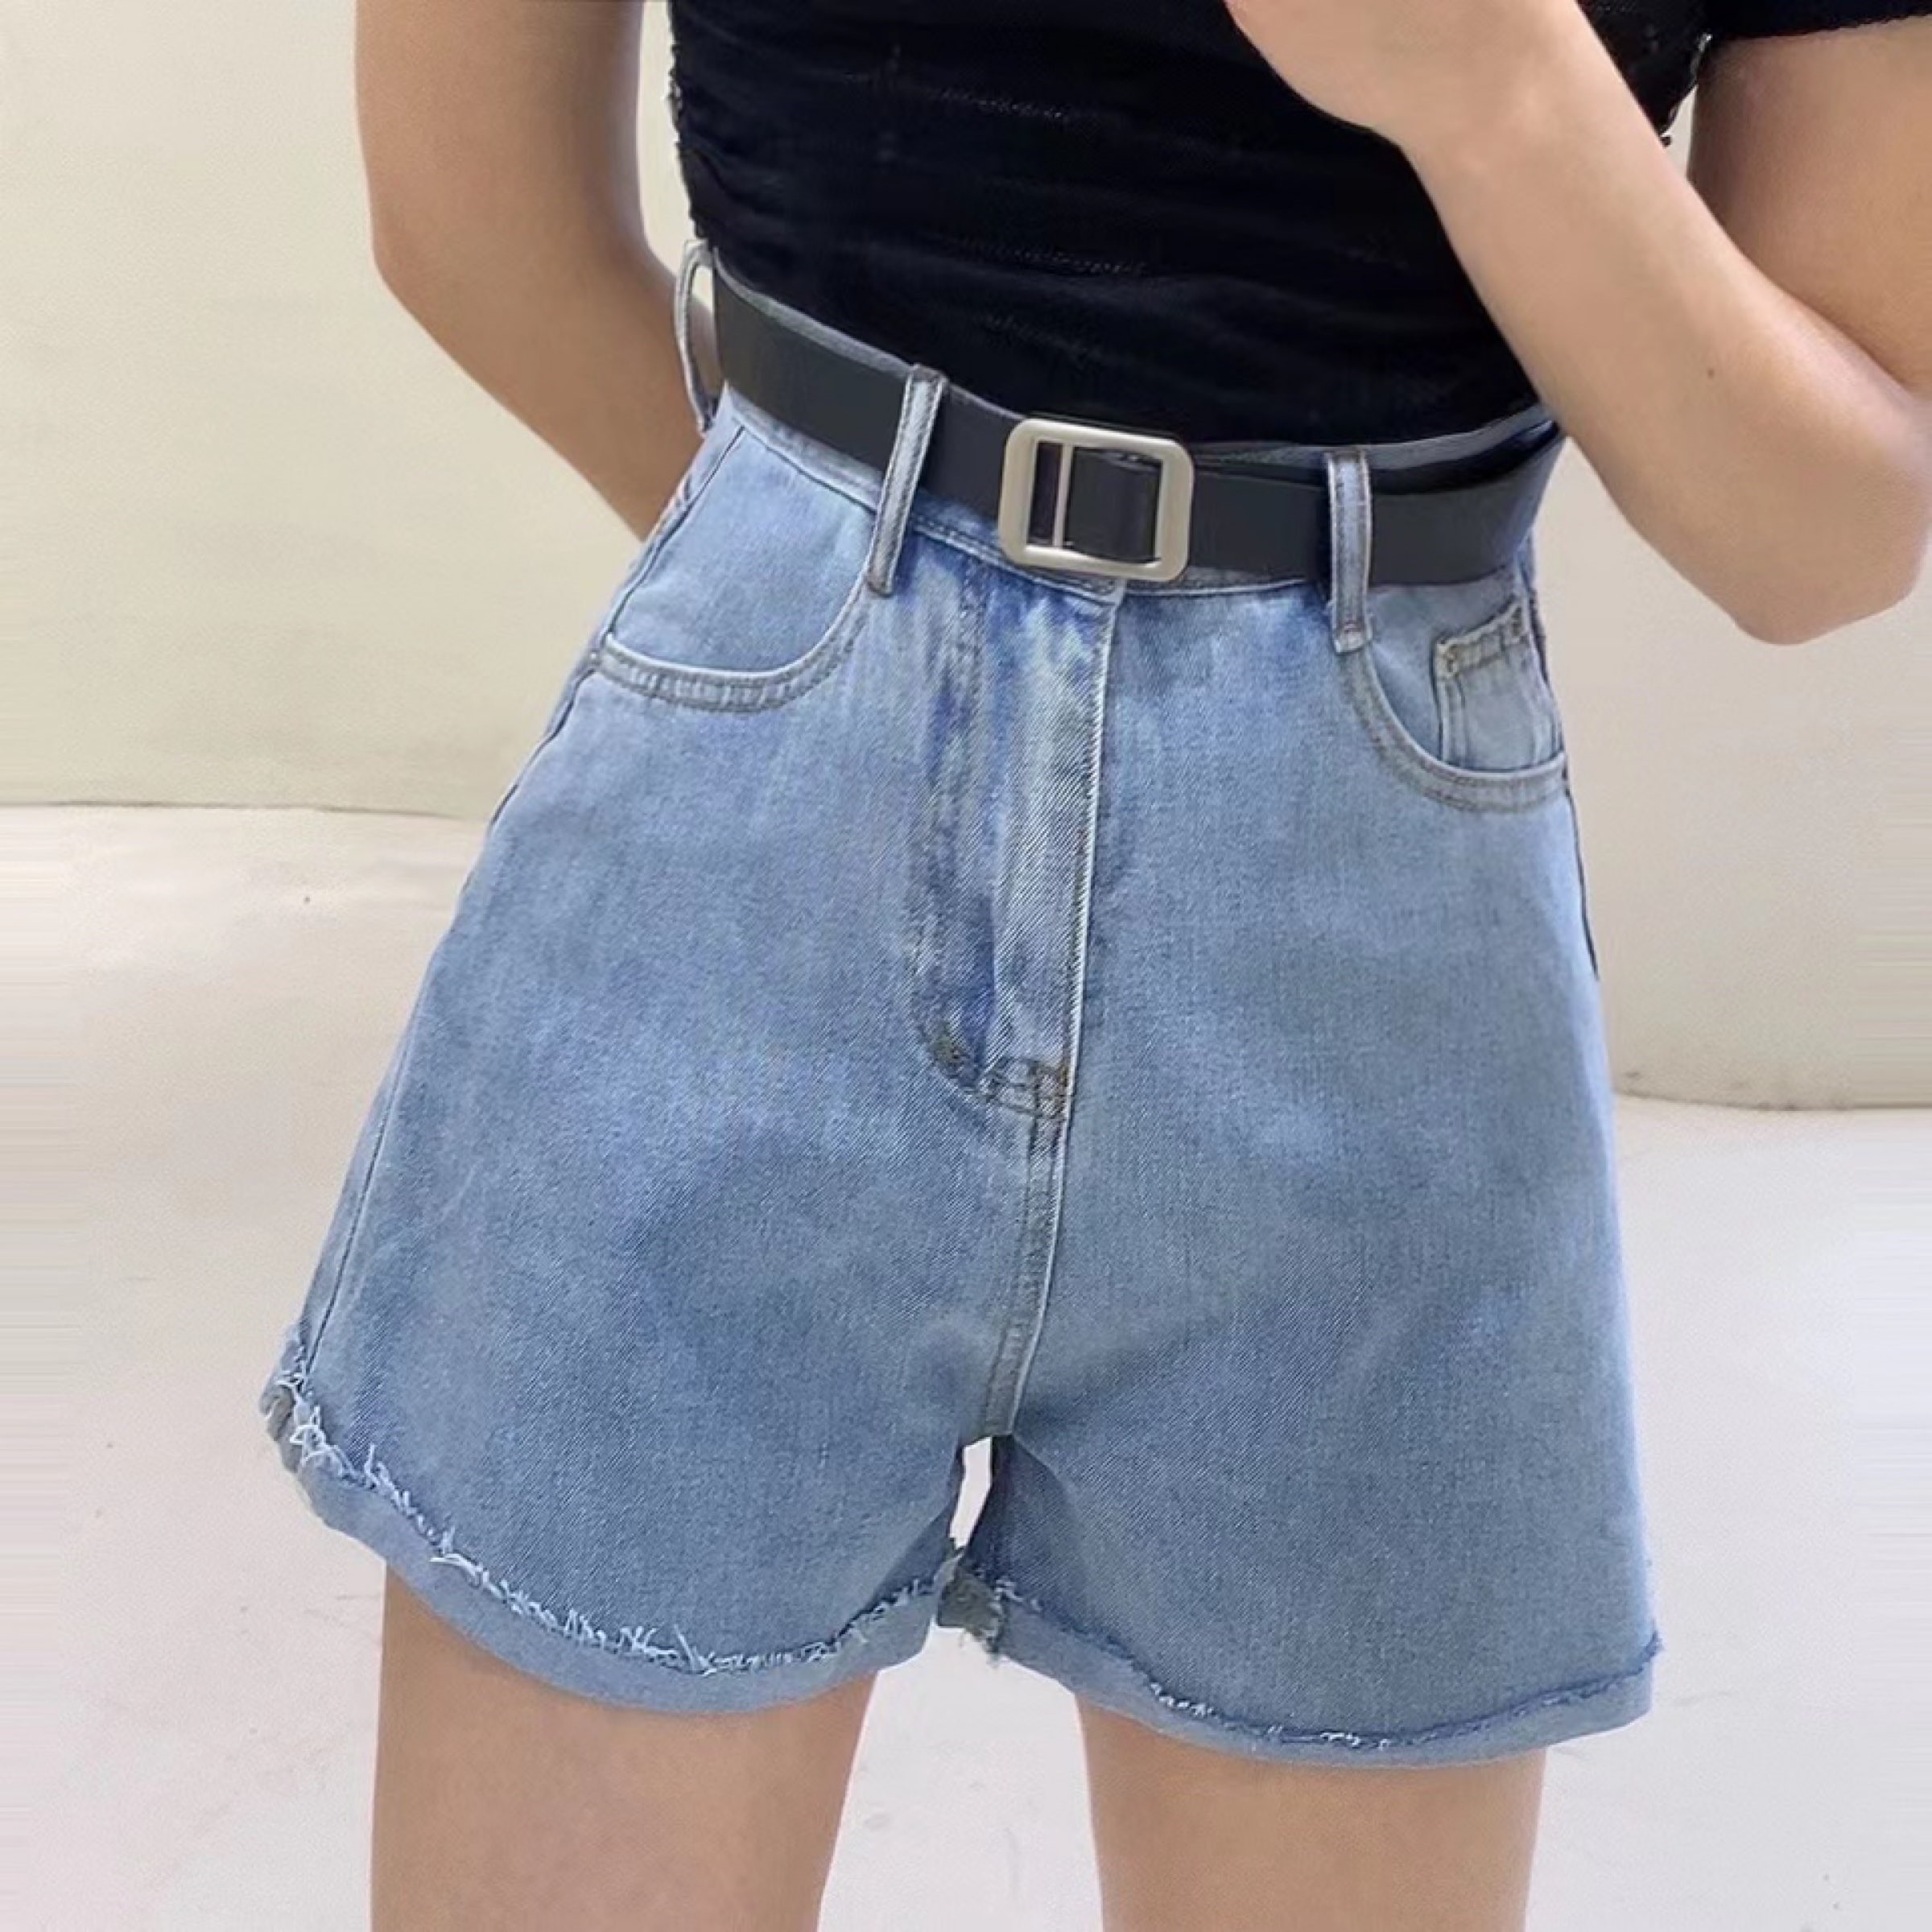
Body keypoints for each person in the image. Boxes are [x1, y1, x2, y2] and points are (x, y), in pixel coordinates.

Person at [262, 4, 1932, 1927]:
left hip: (1370, 931)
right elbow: (468, 209)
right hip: (752, 835)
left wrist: (1491, 79)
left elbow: (1824, 533)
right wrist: (812, 606)